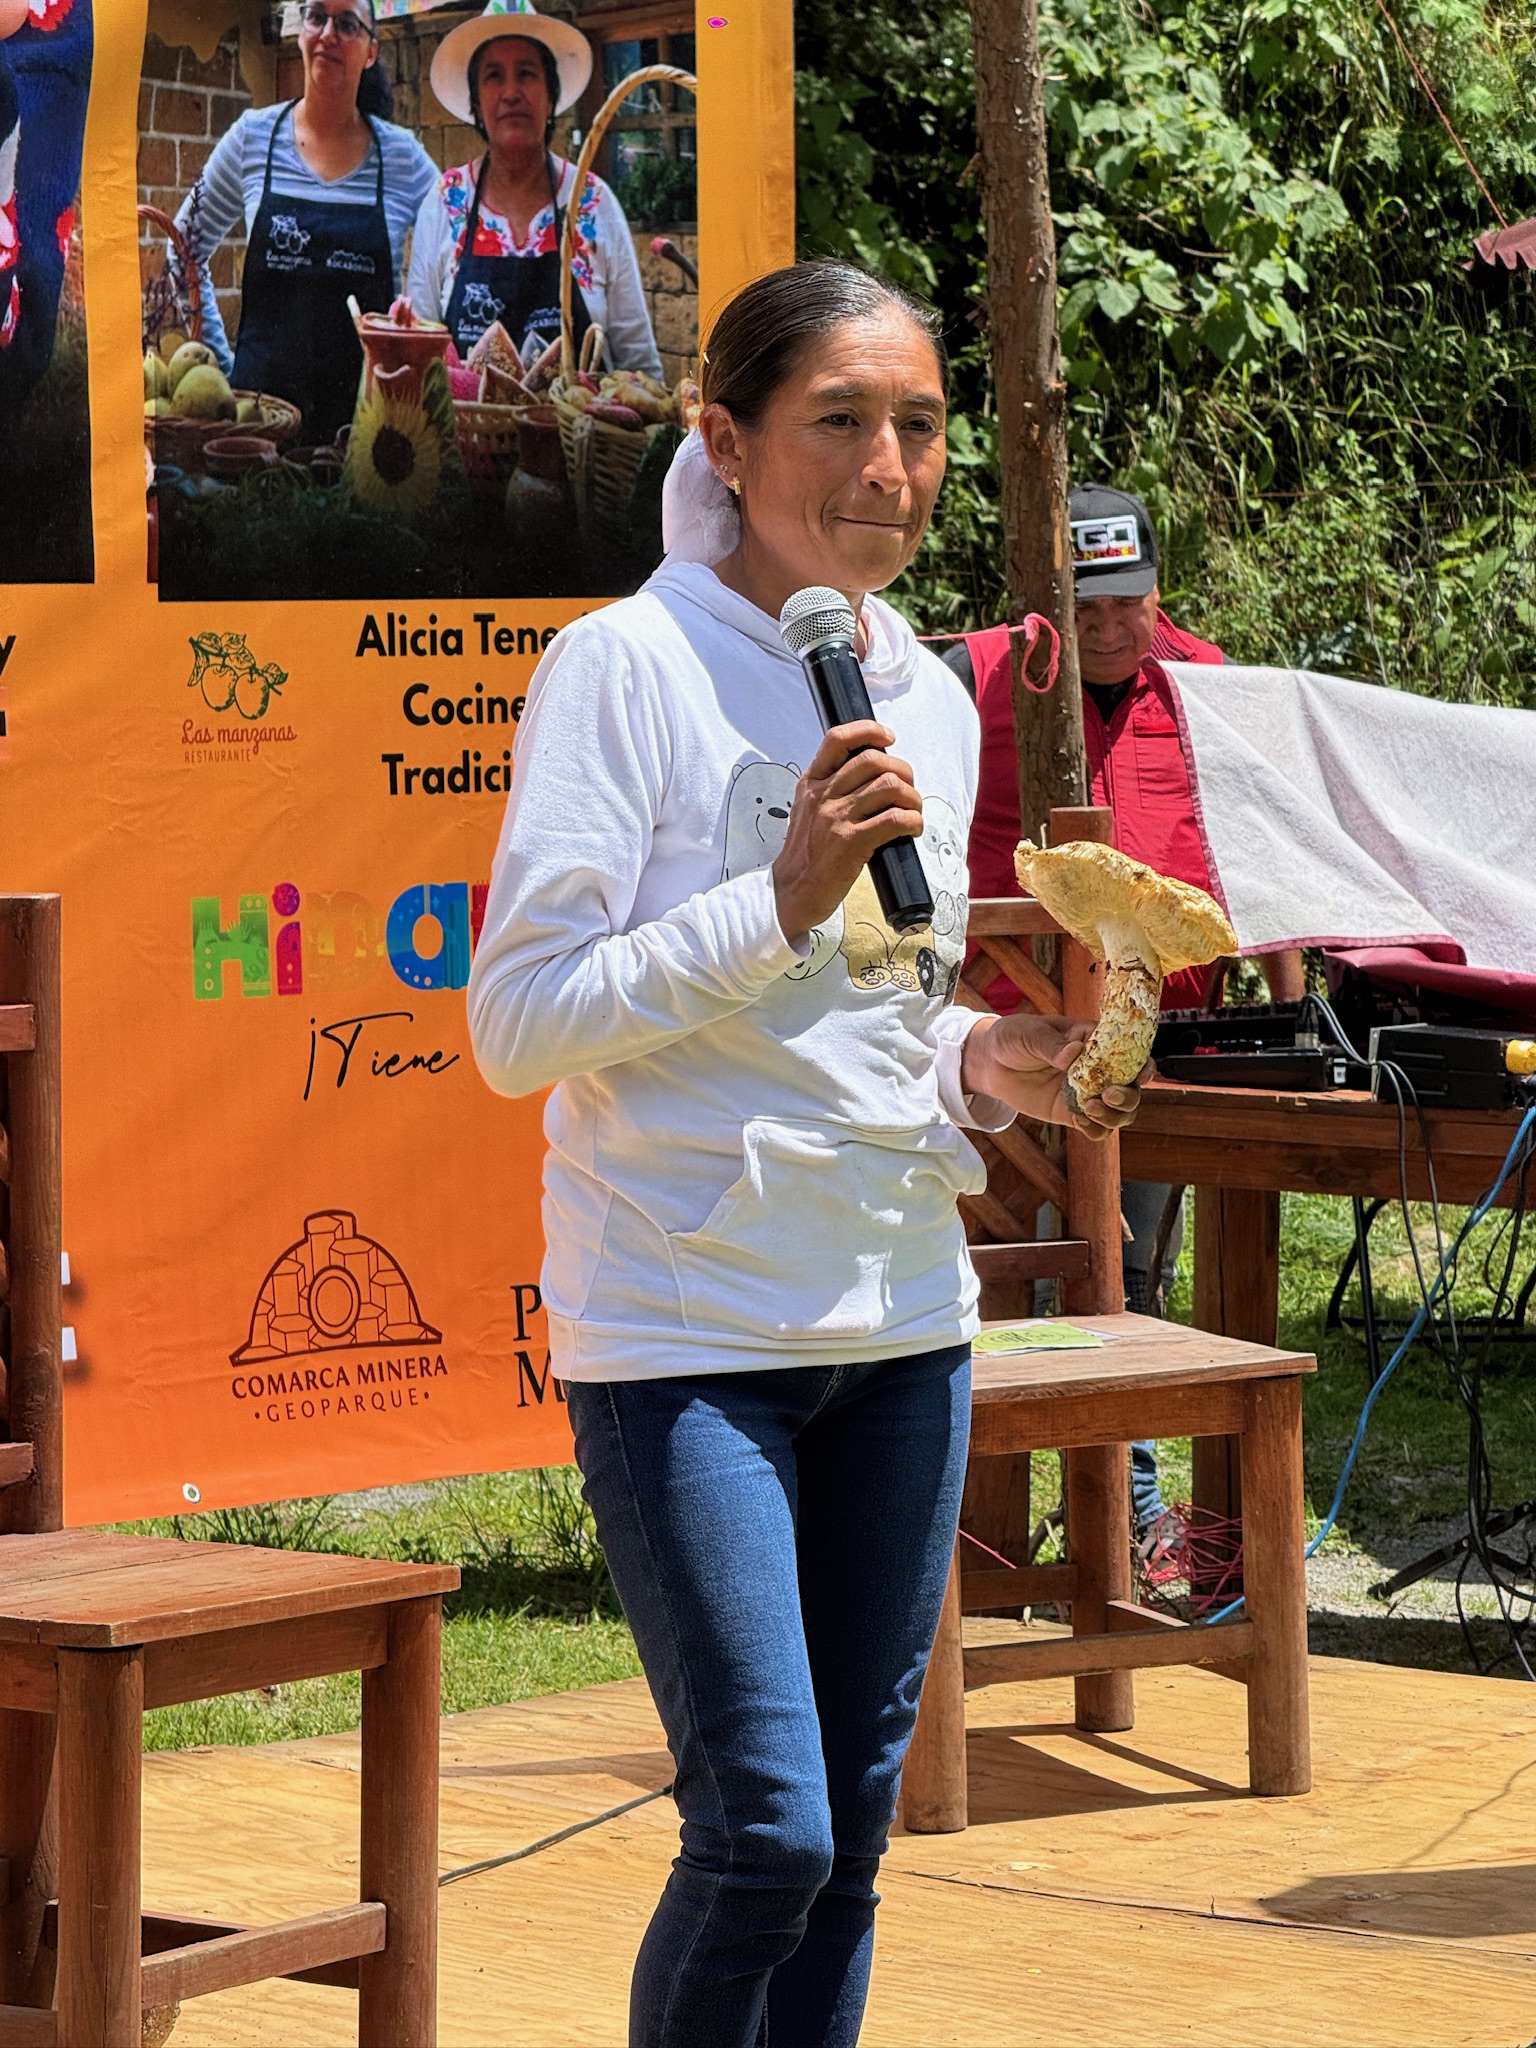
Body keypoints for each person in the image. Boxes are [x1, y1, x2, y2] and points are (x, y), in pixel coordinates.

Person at [467, 261, 1145, 2048]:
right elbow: (519, 1022)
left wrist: (989, 1056)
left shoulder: (925, 691)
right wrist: (771, 900)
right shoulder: (625, 666)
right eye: (839, 418)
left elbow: (874, 1010)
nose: (889, 465)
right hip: (691, 1334)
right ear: (725, 437)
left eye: (917, 425)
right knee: (762, 1830)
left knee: (848, 1835)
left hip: (900, 1325)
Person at [947, 484, 1303, 1539]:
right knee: (1004, 1275)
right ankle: (990, 1523)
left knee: (1127, 1263)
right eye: (1086, 607)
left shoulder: (1210, 686)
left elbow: (1264, 859)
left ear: (1160, 592)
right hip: (1001, 1034)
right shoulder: (976, 674)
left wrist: (1284, 1023)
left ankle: (1130, 1509)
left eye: (1128, 606)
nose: (1107, 630)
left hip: (1160, 1045)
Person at [174, 0, 434, 450]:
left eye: (348, 24)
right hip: (257, 434)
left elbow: (453, 247)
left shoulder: (403, 157)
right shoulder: (252, 137)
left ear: (371, 51)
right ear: (300, 32)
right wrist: (217, 364)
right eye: (317, 16)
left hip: (369, 438)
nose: (329, 33)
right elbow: (182, 247)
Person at [406, 0, 661, 379]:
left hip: (582, 438)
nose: (511, 92)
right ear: (476, 103)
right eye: (494, 76)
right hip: (467, 437)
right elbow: (418, 353)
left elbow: (639, 364)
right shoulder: (446, 202)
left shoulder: (592, 201)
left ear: (551, 97)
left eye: (526, 73)